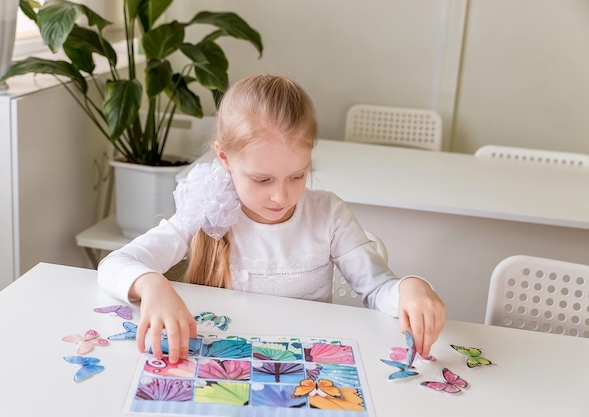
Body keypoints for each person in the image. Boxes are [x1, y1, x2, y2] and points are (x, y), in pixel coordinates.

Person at [98, 74, 446, 363]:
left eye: (297, 176)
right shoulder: (206, 209)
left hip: (305, 365)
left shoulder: (329, 214)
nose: (281, 196)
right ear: (224, 157)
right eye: (262, 180)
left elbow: (377, 287)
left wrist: (410, 288)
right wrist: (152, 284)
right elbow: (116, 263)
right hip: (221, 360)